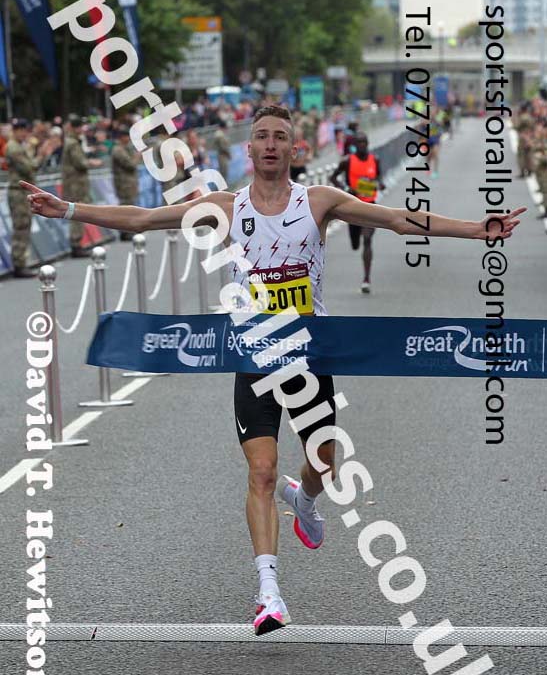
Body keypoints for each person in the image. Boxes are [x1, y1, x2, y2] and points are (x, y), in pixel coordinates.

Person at [22, 105, 525, 635]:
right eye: (260, 136)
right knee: (260, 470)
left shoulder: (320, 202)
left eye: (279, 137)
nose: (268, 144)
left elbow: (397, 218)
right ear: (249, 148)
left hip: (312, 354)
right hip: (253, 354)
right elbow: (147, 219)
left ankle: (304, 498)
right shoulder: (224, 206)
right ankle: (269, 593)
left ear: (293, 149)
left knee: (323, 461)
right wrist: (69, 210)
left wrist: (477, 231)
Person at [330, 133, 384, 293]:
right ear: (355, 145)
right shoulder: (347, 161)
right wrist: (347, 188)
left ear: (367, 143)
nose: (361, 145)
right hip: (352, 207)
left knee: (367, 239)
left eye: (363, 142)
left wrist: (380, 184)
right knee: (355, 245)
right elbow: (333, 177)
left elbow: (379, 177)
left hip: (370, 207)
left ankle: (366, 279)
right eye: (358, 142)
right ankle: (355, 239)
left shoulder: (375, 160)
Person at [6, 119, 44, 278]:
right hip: (18, 191)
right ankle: (19, 264)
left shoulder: (19, 146)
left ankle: (21, 262)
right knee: (21, 227)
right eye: (20, 130)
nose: (24, 133)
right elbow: (29, 168)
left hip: (22, 192)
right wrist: (41, 155)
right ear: (14, 130)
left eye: (25, 130)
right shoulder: (14, 148)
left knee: (24, 226)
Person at [61, 114, 101, 257]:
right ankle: (76, 244)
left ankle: (77, 243)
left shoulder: (73, 141)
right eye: (77, 126)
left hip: (76, 184)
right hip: (75, 185)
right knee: (75, 213)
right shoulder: (72, 143)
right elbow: (80, 162)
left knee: (77, 212)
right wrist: (92, 162)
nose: (80, 129)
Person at [112, 126, 140, 241]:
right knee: (125, 208)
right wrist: (137, 158)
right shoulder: (118, 150)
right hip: (124, 185)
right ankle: (124, 231)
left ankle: (127, 231)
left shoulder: (125, 148)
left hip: (128, 184)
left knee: (129, 207)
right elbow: (130, 164)